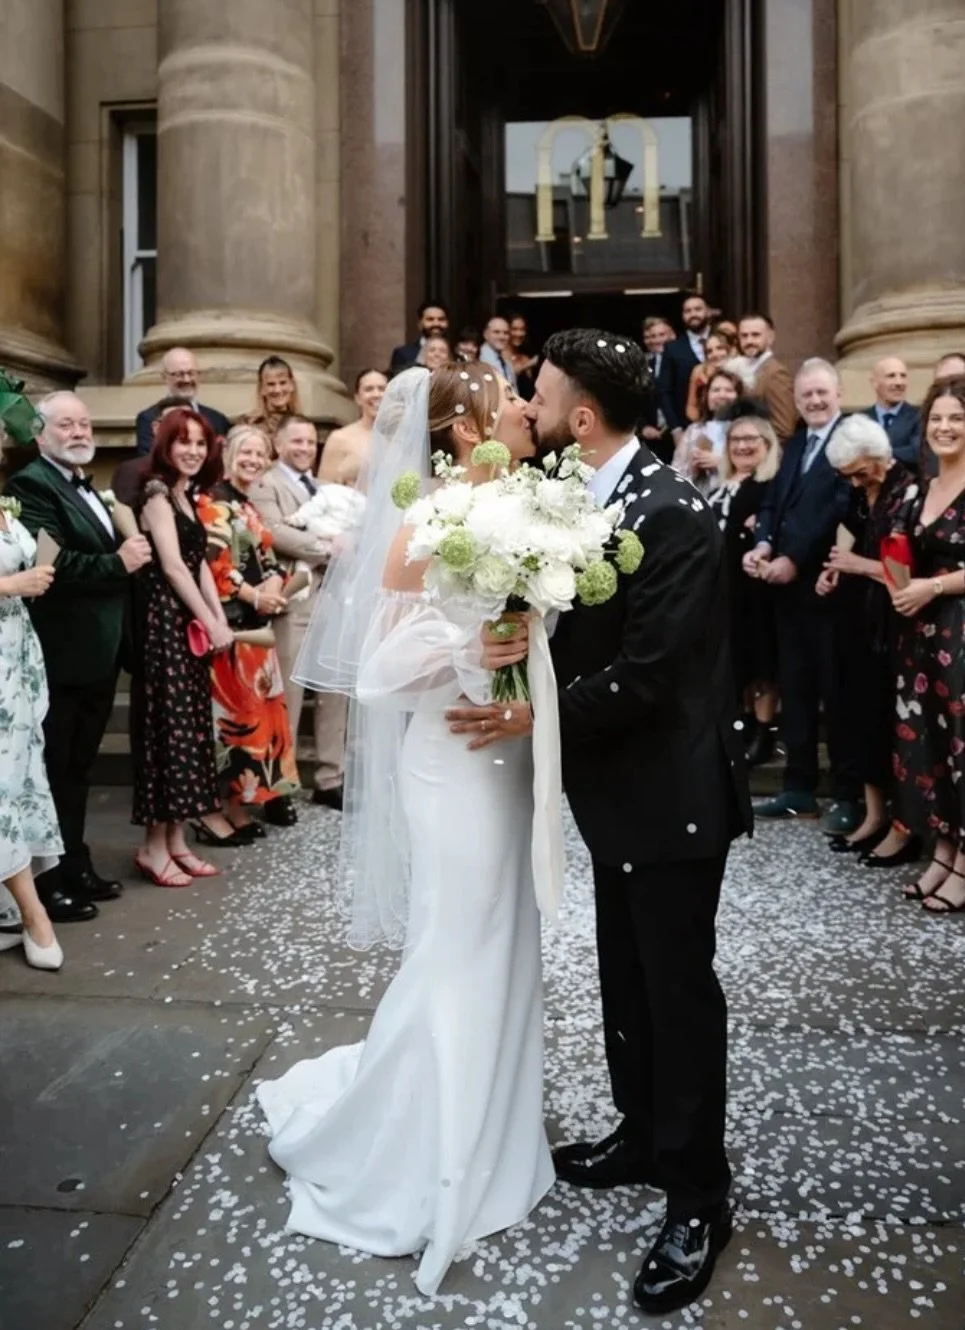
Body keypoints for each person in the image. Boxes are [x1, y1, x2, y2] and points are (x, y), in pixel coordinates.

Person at [255, 364, 551, 1297]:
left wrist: (523, 650)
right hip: (449, 761)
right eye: (507, 401)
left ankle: (502, 1137)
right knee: (456, 947)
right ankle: (432, 1153)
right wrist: (478, 650)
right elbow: (378, 673)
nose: (522, 409)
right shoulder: (428, 524)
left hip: (505, 759)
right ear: (467, 431)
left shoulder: (522, 508)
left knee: (506, 939)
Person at [509, 328, 752, 1315]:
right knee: (625, 969)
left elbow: (651, 673)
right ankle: (642, 1127)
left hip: (674, 797)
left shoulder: (675, 511)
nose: (523, 410)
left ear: (580, 416)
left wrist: (537, 713)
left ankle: (699, 1192)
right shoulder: (583, 498)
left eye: (537, 397)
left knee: (678, 990)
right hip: (616, 792)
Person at [8, 392, 152, 923]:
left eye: (84, 423)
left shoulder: (88, 486)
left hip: (101, 651)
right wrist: (118, 563)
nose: (78, 431)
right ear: (40, 434)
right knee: (54, 768)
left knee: (78, 767)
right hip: (63, 651)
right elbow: (54, 565)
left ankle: (76, 862)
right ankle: (48, 882)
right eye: (65, 423)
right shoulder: (30, 485)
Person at [889, 375, 965, 911]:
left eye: (955, 418)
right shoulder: (919, 487)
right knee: (929, 749)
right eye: (936, 418)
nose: (944, 426)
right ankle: (942, 849)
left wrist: (932, 586)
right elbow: (903, 551)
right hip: (920, 633)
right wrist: (899, 581)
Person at [745, 359, 861, 834]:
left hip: (830, 590)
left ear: (837, 393)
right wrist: (763, 544)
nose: (814, 401)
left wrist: (793, 556)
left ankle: (850, 794)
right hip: (786, 595)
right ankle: (797, 788)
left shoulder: (851, 442)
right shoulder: (794, 445)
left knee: (838, 696)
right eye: (806, 394)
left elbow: (836, 507)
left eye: (822, 393)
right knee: (795, 688)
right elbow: (773, 501)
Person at [130, 409, 238, 884]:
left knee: (188, 732)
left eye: (201, 442)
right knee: (166, 732)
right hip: (165, 626)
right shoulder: (156, 493)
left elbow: (197, 565)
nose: (193, 451)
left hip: (188, 622)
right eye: (183, 442)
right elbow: (173, 567)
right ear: (166, 446)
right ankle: (153, 847)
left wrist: (217, 619)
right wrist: (206, 620)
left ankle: (177, 841)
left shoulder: (186, 493)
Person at [817, 414, 916, 859]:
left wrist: (856, 566)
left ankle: (902, 824)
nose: (857, 483)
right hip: (858, 621)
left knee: (890, 729)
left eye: (861, 472)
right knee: (861, 722)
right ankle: (873, 816)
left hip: (895, 626)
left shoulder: (906, 491)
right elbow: (850, 541)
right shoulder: (863, 492)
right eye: (848, 476)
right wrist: (836, 571)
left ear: (879, 458)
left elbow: (905, 574)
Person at [197, 426, 300, 835]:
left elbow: (267, 555)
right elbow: (215, 565)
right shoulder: (214, 502)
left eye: (260, 454)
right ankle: (227, 808)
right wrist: (254, 597)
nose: (253, 460)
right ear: (229, 455)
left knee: (260, 718)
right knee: (233, 721)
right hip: (234, 626)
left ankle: (247, 800)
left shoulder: (249, 505)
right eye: (246, 453)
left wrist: (273, 589)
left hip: (259, 626)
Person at [248, 415, 347, 810]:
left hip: (335, 598)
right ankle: (280, 786)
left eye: (310, 441)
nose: (306, 447)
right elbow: (274, 530)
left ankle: (330, 777)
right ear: (279, 442)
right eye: (297, 441)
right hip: (294, 600)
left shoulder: (326, 489)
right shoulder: (265, 484)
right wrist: (329, 546)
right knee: (288, 693)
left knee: (335, 692)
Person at [0, 443, 64, 970]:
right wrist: (8, 584)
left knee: (18, 777)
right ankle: (32, 912)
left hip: (15, 658)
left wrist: (32, 579)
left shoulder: (7, 499)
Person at [709, 410, 781, 766]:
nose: (742, 446)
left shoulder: (769, 486)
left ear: (767, 445)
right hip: (724, 588)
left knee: (760, 660)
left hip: (756, 588)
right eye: (736, 440)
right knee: (736, 659)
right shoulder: (722, 484)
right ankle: (746, 725)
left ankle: (765, 733)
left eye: (751, 439)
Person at [135, 347, 230, 454]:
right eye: (179, 374)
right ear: (164, 377)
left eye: (191, 373)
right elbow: (148, 459)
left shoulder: (218, 419)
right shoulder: (149, 418)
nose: (186, 379)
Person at [113, 395, 194, 508]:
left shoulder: (203, 470)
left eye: (189, 422)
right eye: (172, 423)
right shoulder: (133, 471)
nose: (182, 428)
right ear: (156, 428)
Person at [673, 367, 745, 494]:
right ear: (707, 396)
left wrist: (721, 463)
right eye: (716, 390)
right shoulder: (694, 430)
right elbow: (676, 471)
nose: (722, 395)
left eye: (729, 390)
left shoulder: (748, 429)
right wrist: (693, 468)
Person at [318, 369, 387, 489]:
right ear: (358, 398)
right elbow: (324, 489)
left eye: (382, 389)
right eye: (368, 389)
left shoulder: (399, 439)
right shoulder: (339, 438)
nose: (376, 394)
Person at [657, 291, 715, 433]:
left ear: (708, 312)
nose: (693, 314)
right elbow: (665, 392)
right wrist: (675, 429)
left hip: (723, 423)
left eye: (698, 309)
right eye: (687, 311)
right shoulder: (672, 348)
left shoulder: (722, 341)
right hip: (686, 427)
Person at [736, 313, 796, 439]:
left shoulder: (776, 373)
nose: (749, 341)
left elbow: (783, 428)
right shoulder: (740, 368)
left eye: (755, 335)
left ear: (770, 338)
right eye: (744, 336)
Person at [863, 355, 921, 467]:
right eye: (891, 376)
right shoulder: (861, 419)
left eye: (903, 376)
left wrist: (875, 455)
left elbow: (917, 453)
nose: (899, 382)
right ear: (874, 382)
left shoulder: (920, 416)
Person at [639, 315, 675, 463]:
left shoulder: (682, 362)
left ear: (672, 335)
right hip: (652, 438)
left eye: (662, 335)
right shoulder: (642, 366)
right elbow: (634, 400)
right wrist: (643, 427)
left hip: (678, 434)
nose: (657, 340)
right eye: (653, 336)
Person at [684, 327, 735, 426]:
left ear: (729, 349)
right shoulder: (698, 371)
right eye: (709, 351)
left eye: (720, 348)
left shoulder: (740, 370)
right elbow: (691, 407)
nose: (715, 354)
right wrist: (705, 425)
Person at [244, 355, 301, 437]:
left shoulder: (302, 424)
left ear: (291, 385)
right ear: (262, 389)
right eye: (271, 384)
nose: (277, 390)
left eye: (283, 383)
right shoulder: (248, 424)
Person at [389, 299, 449, 373]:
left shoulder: (456, 352)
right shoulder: (403, 353)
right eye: (430, 319)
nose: (436, 323)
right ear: (420, 324)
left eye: (441, 319)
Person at [479, 315, 517, 389]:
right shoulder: (479, 359)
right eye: (496, 332)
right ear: (486, 334)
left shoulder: (505, 361)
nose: (502, 337)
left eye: (506, 333)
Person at [507, 313, 539, 400]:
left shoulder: (525, 357)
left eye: (522, 329)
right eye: (514, 329)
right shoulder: (499, 356)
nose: (519, 334)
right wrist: (526, 366)